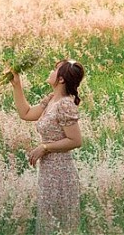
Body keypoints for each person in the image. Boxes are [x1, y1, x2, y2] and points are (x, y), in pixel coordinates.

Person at [9, 59, 84, 235]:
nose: (51, 71)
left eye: (55, 69)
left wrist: (44, 147)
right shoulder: (51, 100)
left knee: (59, 225)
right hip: (48, 171)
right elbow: (26, 113)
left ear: (61, 79)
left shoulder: (65, 104)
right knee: (48, 223)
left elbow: (75, 140)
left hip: (61, 172)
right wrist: (17, 86)